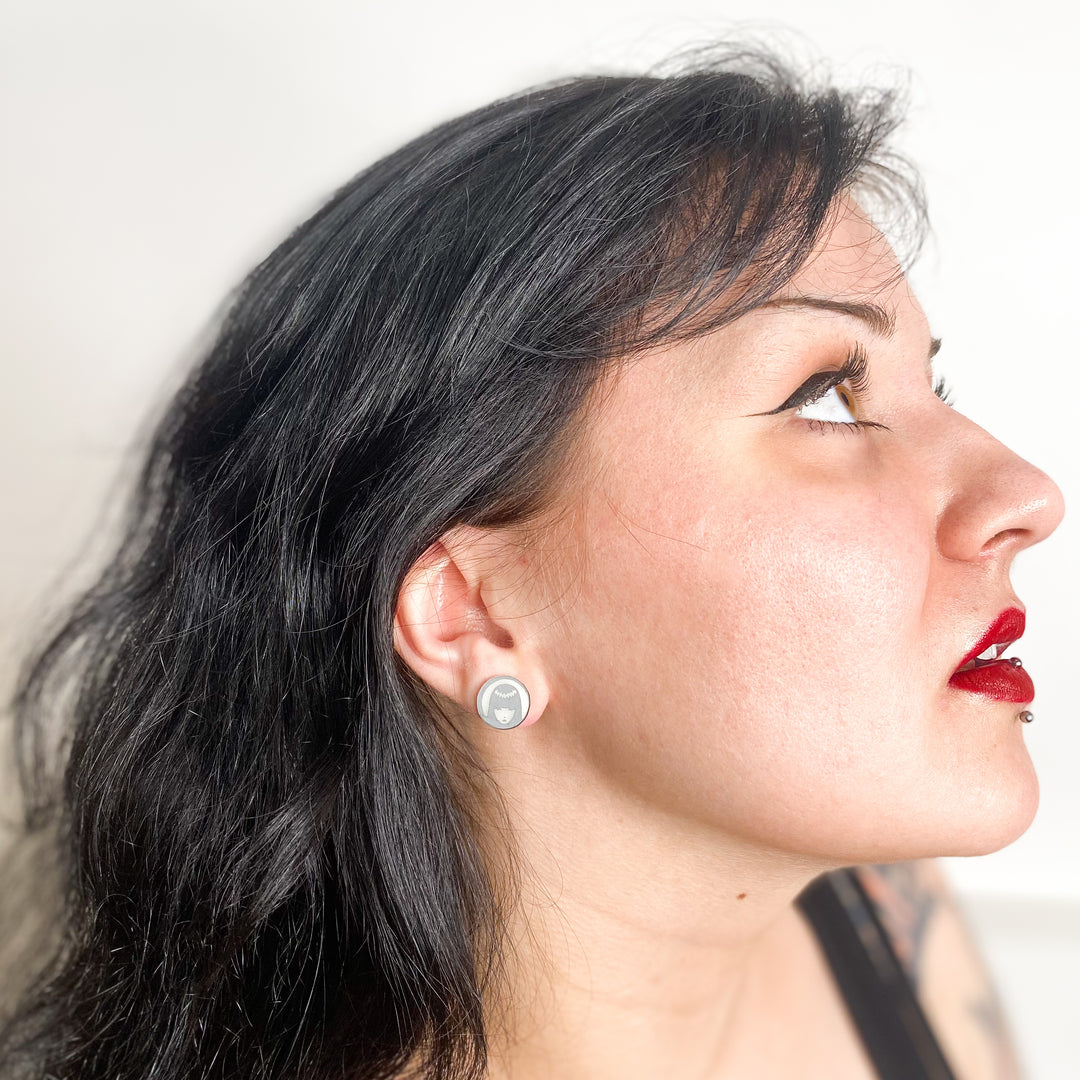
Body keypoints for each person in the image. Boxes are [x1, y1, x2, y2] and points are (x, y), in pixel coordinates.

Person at [0, 44, 1063, 1080]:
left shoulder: (879, 903)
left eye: (937, 389)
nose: (1028, 496)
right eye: (825, 395)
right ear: (471, 614)